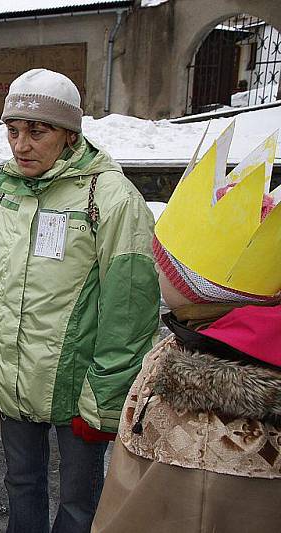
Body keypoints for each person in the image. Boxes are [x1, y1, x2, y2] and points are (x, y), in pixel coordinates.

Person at [0, 68, 160, 533]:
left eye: (38, 131)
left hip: (78, 390)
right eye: (13, 131)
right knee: (21, 484)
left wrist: (106, 395)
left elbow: (129, 308)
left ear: (70, 135)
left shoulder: (109, 197)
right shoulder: (4, 190)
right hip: (12, 375)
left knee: (78, 504)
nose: (21, 146)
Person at [92, 128, 281, 532]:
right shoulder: (196, 337)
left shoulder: (207, 427)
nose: (153, 266)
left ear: (193, 289)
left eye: (162, 261)